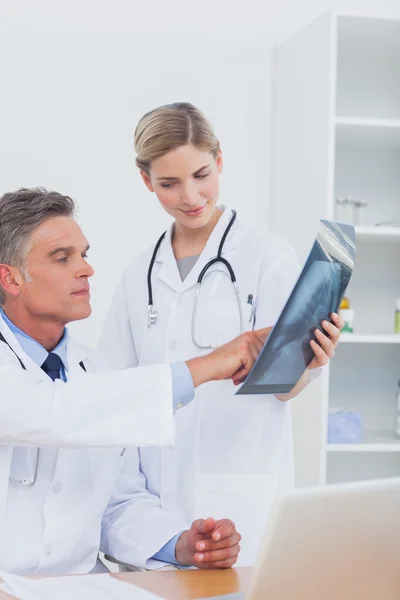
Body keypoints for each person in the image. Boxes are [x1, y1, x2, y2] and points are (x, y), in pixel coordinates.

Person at [99, 102, 344, 566]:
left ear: (220, 161)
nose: (190, 196)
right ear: (146, 180)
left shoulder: (268, 257)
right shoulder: (138, 278)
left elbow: (284, 388)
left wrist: (309, 362)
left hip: (243, 506)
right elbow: (116, 394)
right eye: (169, 183)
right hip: (156, 514)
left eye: (201, 174)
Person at [0, 187, 267, 575]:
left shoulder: (99, 371)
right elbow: (56, 412)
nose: (86, 269)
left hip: (82, 589)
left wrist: (180, 545)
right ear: (10, 278)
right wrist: (211, 364)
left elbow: (116, 503)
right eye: (62, 258)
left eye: (84, 255)